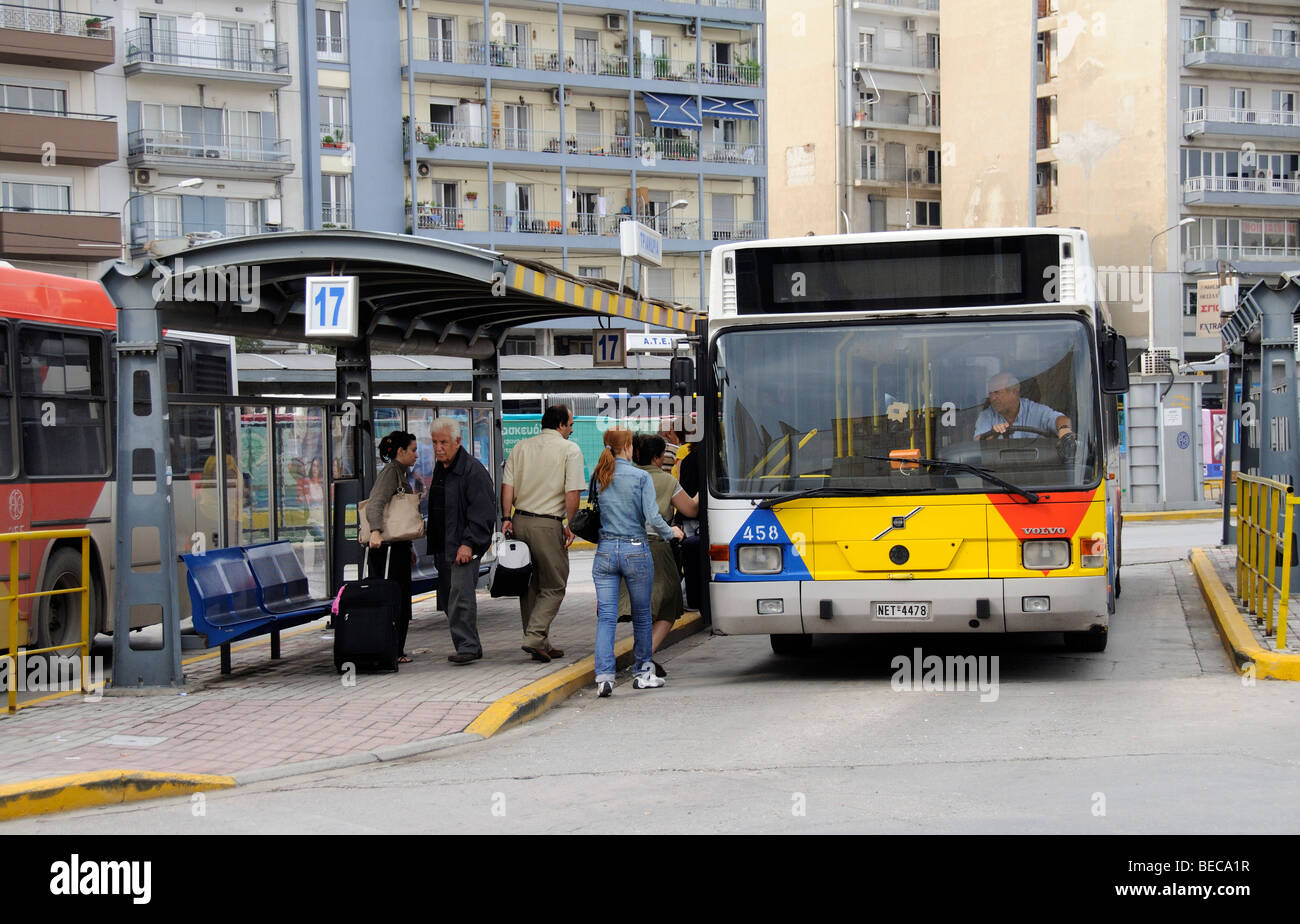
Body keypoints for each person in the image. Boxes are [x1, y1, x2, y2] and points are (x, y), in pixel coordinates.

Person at [592, 429, 683, 697]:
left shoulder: (600, 476)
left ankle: (604, 678)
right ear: (629, 447)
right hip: (635, 550)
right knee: (642, 617)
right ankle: (644, 672)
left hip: (605, 552)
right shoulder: (640, 477)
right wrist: (671, 533)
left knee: (606, 618)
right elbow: (653, 518)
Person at [500, 404, 585, 662]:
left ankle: (540, 642)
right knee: (555, 584)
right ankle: (535, 636)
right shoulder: (570, 450)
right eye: (570, 425)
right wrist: (572, 523)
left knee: (529, 584)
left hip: (520, 520)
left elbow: (508, 486)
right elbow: (572, 492)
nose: (571, 430)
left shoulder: (520, 448)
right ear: (560, 425)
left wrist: (506, 517)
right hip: (548, 524)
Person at [618, 434, 698, 677]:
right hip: (656, 546)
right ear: (656, 457)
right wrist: (704, 491)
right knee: (669, 604)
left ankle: (644, 654)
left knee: (641, 604)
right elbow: (690, 509)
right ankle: (645, 656)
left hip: (625, 544)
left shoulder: (624, 476)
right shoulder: (665, 480)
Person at [427, 417, 496, 664]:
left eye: (443, 442)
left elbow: (483, 512)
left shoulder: (472, 471)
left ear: (457, 441)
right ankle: (467, 643)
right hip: (444, 547)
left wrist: (469, 543)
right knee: (449, 598)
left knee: (461, 596)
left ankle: (467, 646)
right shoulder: (441, 469)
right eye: (434, 442)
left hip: (464, 546)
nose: (438, 447)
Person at [367, 430, 418, 664]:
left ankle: (397, 649)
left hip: (398, 548)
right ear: (401, 451)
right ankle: (390, 648)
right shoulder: (390, 473)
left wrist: (409, 547)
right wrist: (375, 531)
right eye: (413, 450)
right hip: (386, 549)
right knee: (392, 599)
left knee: (401, 598)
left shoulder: (400, 473)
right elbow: (375, 503)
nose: (416, 455)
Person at [975, 372, 1073, 441]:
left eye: (997, 392)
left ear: (1014, 391)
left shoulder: (1035, 411)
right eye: (990, 393)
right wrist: (993, 434)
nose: (992, 398)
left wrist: (1064, 429)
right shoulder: (986, 416)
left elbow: (1060, 419)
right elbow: (977, 442)